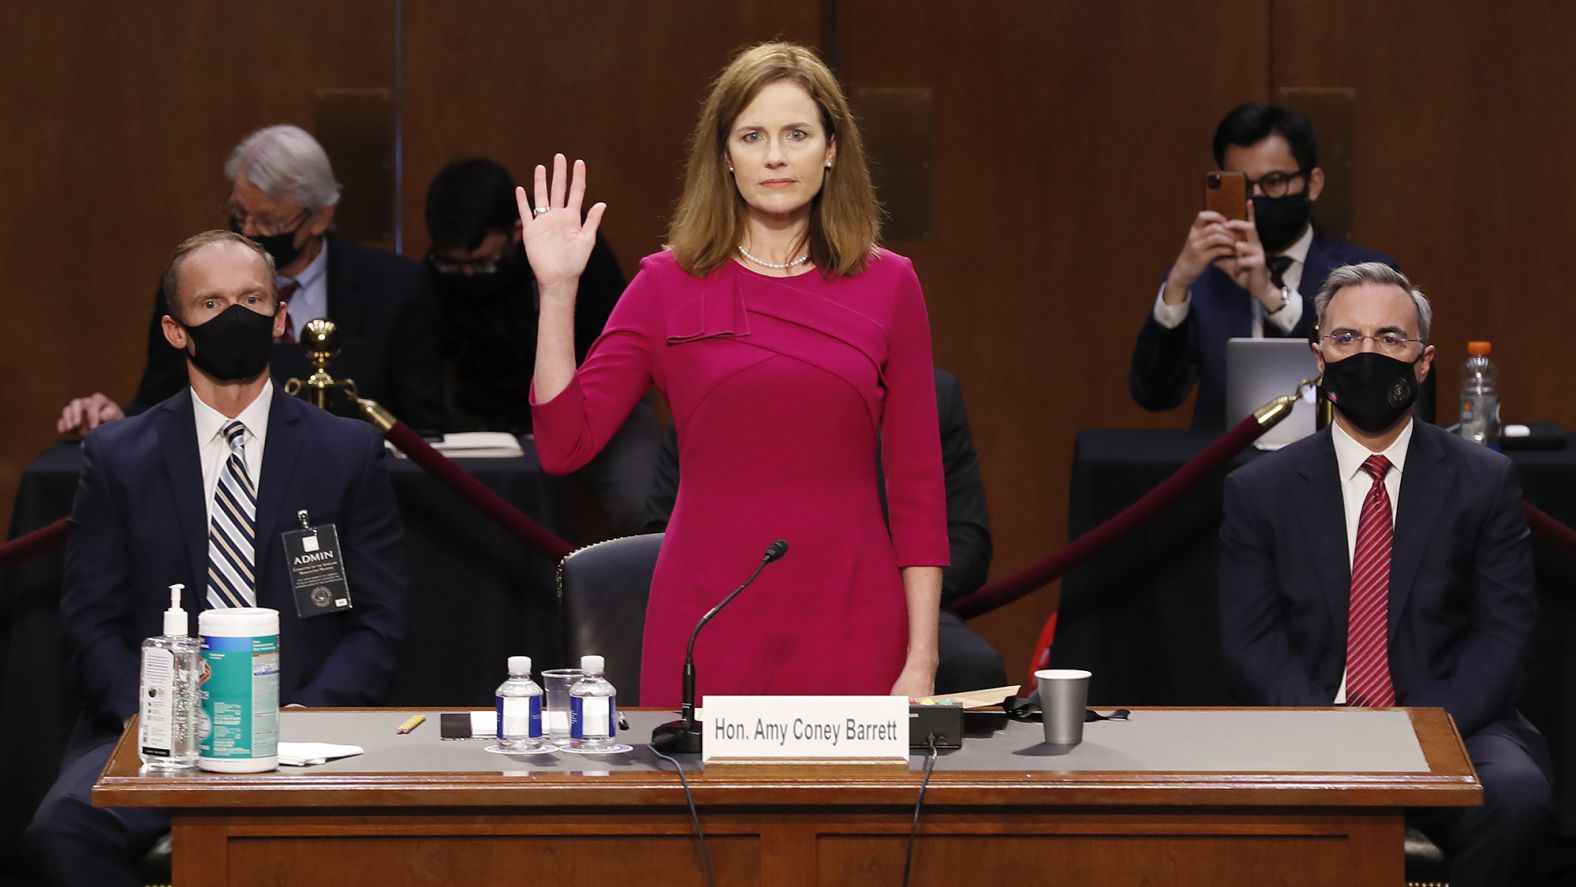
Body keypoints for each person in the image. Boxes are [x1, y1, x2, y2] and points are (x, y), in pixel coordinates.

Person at [524, 42, 949, 705]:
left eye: (796, 134)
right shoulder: (666, 284)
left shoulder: (891, 284)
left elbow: (920, 487)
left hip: (855, 623)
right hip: (706, 624)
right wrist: (557, 293)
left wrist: (921, 659)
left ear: (832, 148)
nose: (775, 156)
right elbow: (563, 442)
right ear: (725, 155)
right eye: (752, 136)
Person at [28, 231, 408, 886]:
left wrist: (308, 714)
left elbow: (379, 622)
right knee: (61, 829)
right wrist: (151, 717)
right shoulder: (120, 457)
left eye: (253, 298)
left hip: (304, 725)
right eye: (212, 304)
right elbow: (90, 623)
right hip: (155, 730)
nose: (236, 315)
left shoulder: (345, 452)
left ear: (280, 316)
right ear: (175, 331)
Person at [1217, 262, 1554, 887]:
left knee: (1516, 798)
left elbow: (1503, 640)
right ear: (1318, 358)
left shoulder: (1484, 482)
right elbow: (1250, 643)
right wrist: (1332, 733)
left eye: (1389, 339)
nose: (1367, 355)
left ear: (1423, 363)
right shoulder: (1258, 491)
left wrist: (1415, 733)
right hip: (1309, 720)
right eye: (1347, 339)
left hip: (1453, 723)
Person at [56, 124, 447, 436]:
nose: (249, 229)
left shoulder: (396, 287)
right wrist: (115, 418)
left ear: (320, 217)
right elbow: (161, 397)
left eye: (269, 221)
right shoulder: (194, 279)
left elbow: (422, 423)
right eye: (241, 213)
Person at [642, 367, 1005, 693]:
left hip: (884, 611)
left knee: (975, 665)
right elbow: (658, 532)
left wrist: (873, 594)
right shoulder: (714, 391)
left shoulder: (935, 396)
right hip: (742, 607)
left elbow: (968, 543)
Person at [423, 157, 661, 535]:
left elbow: (613, 350)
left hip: (595, 395)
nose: (468, 275)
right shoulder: (440, 272)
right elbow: (431, 358)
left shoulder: (569, 245)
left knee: (641, 502)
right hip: (489, 412)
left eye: (483, 263)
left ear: (516, 231)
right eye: (456, 266)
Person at [1130, 102, 1396, 429]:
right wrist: (1178, 285)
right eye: (1242, 185)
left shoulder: (1369, 276)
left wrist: (1270, 294)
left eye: (1274, 182)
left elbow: (1375, 387)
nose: (1257, 198)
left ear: (1312, 184)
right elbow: (1154, 394)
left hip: (1332, 469)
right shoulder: (1202, 280)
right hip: (1227, 471)